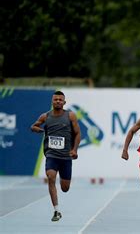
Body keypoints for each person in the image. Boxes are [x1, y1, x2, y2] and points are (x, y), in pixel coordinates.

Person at [30, 91, 81, 222]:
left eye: (60, 99)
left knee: (65, 188)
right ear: (52, 102)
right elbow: (34, 125)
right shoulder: (45, 116)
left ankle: (62, 183)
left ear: (64, 102)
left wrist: (74, 150)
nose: (58, 101)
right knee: (51, 177)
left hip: (65, 157)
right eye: (55, 99)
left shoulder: (70, 116)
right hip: (51, 154)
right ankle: (56, 210)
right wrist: (36, 128)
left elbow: (78, 134)